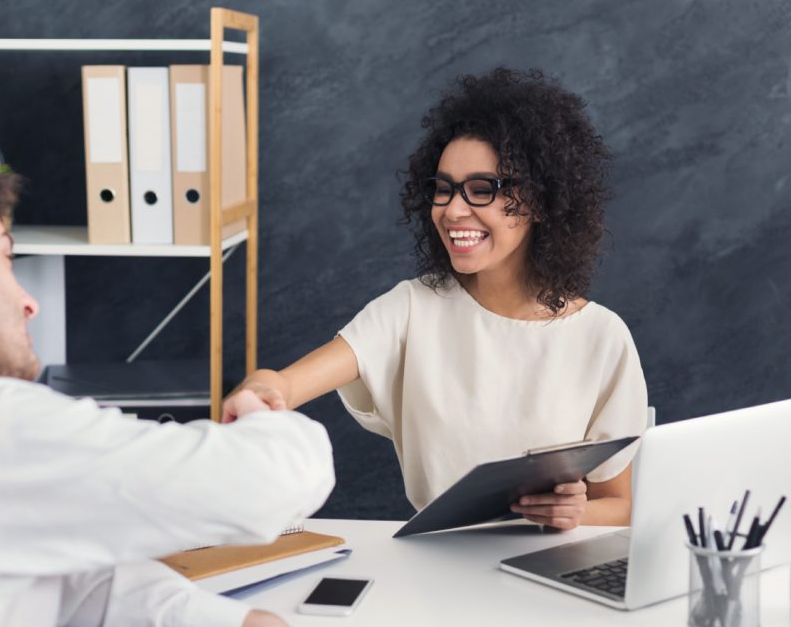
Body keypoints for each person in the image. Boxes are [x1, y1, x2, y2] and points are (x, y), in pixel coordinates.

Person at [0, 152, 336, 627]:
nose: (27, 301)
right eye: (6, 256)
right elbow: (276, 480)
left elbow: (64, 588)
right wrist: (260, 416)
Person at [225, 67, 648, 530]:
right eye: (443, 189)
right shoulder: (412, 309)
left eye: (482, 189)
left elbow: (621, 505)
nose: (452, 210)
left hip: (548, 566)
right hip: (436, 563)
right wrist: (262, 390)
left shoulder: (602, 338)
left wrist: (577, 512)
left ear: (540, 201)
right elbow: (286, 385)